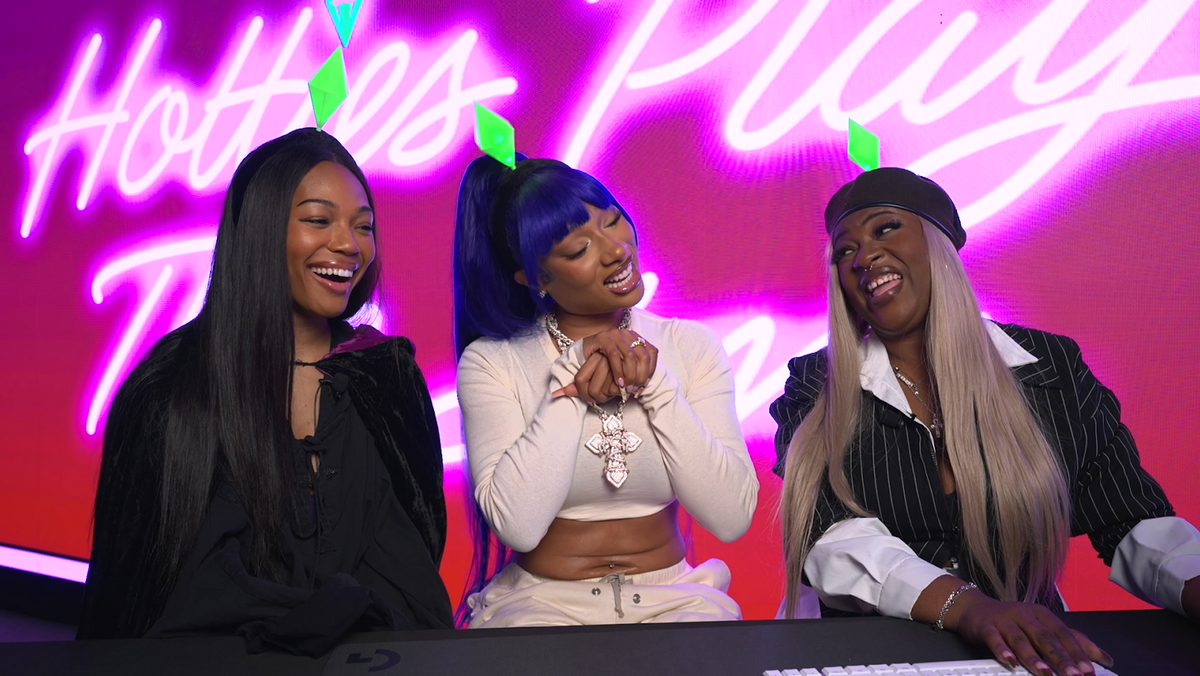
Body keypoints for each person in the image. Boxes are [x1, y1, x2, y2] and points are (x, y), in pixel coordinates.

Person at [772, 167, 1200, 675]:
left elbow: (1127, 517)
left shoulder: (1049, 367)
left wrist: (1192, 584)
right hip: (863, 653)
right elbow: (831, 537)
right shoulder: (814, 384)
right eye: (845, 251)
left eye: (885, 228)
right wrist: (968, 607)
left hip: (1026, 652)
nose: (863, 257)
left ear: (940, 245)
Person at [78, 129, 453, 654]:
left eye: (363, 225)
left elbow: (416, 571)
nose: (349, 245)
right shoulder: (170, 389)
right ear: (260, 227)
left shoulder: (388, 379)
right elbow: (131, 597)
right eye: (318, 220)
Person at [452, 153, 759, 627]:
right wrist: (572, 378)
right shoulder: (493, 362)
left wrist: (654, 382)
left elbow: (731, 516)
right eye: (579, 250)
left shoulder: (690, 346)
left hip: (676, 600)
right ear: (536, 278)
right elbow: (518, 526)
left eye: (613, 221)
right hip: (540, 606)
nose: (616, 250)